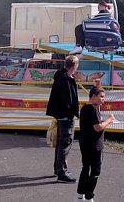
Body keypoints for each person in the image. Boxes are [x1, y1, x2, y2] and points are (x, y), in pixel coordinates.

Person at [76, 86, 116, 202]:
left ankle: (80, 195)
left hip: (86, 143)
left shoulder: (86, 108)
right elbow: (98, 127)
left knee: (86, 168)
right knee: (95, 170)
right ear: (93, 97)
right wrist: (109, 120)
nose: (103, 100)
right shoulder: (92, 109)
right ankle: (89, 196)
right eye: (101, 97)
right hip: (93, 145)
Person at [46, 54, 80, 183]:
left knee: (60, 143)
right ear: (75, 66)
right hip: (65, 116)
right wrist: (72, 114)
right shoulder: (66, 80)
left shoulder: (60, 76)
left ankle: (58, 168)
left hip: (60, 115)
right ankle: (62, 172)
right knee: (65, 143)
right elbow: (68, 100)